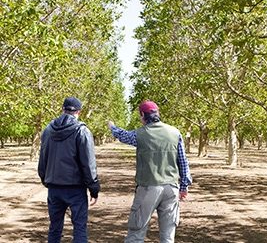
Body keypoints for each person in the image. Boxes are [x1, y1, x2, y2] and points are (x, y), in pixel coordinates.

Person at [107, 100, 192, 243]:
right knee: (168, 235)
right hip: (171, 188)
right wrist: (184, 186)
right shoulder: (175, 132)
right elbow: (183, 162)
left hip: (148, 188)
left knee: (136, 232)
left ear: (142, 115)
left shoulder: (140, 134)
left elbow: (123, 136)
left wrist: (112, 127)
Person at [38, 97, 100, 243]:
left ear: (63, 109)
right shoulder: (82, 131)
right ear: (78, 111)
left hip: (54, 187)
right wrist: (94, 188)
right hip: (75, 189)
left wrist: (46, 180)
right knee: (79, 228)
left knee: (54, 228)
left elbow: (42, 160)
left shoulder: (48, 130)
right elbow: (88, 164)